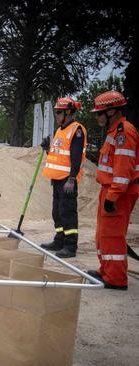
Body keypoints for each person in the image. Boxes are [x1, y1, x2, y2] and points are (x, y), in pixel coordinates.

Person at [87, 90, 138, 290]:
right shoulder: (114, 132)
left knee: (113, 235)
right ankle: (106, 269)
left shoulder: (123, 133)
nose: (97, 117)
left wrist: (113, 195)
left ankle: (116, 278)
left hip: (119, 192)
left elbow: (123, 169)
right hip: (110, 189)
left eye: (100, 113)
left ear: (112, 111)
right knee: (103, 234)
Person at [39, 97, 87, 258]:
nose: (57, 115)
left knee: (67, 213)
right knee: (57, 212)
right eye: (56, 112)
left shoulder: (76, 130)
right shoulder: (60, 130)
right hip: (57, 179)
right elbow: (56, 155)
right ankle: (59, 240)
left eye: (59, 112)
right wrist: (47, 148)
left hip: (67, 180)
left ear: (68, 113)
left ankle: (70, 245)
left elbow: (76, 157)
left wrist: (72, 179)